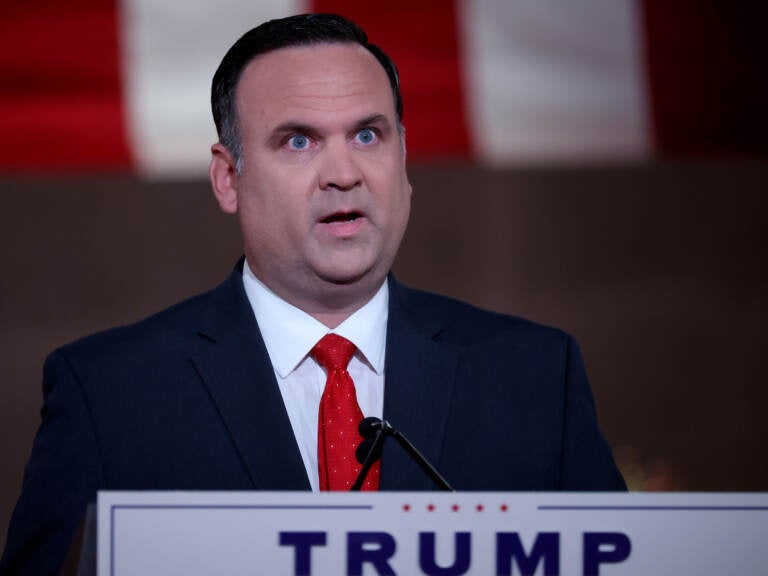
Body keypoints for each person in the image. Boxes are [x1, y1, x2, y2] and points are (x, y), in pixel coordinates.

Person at [0, 13, 625, 575]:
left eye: (368, 136)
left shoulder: (536, 375)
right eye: (298, 141)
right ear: (228, 178)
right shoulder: (110, 393)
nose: (344, 173)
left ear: (403, 160)